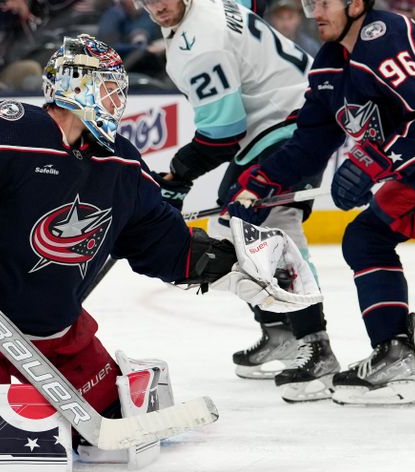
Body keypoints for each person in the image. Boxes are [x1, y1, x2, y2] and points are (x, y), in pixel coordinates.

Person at [0, 34, 320, 432]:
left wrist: (234, 269)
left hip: (57, 335)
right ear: (76, 86)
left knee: (114, 417)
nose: (116, 101)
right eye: (108, 88)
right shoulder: (6, 127)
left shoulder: (121, 165)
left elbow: (162, 243)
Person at [136, 0, 340, 401]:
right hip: (288, 117)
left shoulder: (200, 42)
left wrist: (178, 175)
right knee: (236, 225)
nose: (157, 5)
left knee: (270, 228)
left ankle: (315, 344)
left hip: (291, 123)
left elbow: (223, 133)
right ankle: (280, 331)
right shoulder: (209, 8)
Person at [225, 0, 415, 405]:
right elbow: (310, 144)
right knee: (366, 239)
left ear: (355, 4)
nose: (314, 11)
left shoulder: (386, 37)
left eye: (324, 2)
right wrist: (258, 185)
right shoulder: (330, 66)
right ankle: (395, 354)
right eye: (309, 2)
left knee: (367, 237)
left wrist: (373, 161)